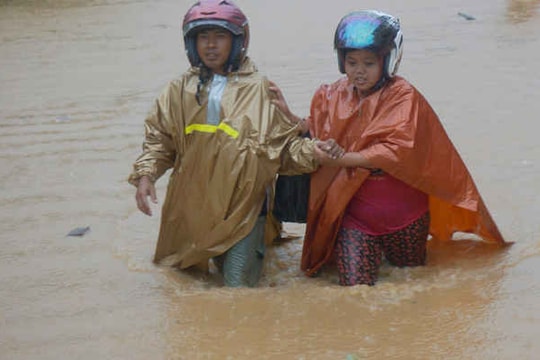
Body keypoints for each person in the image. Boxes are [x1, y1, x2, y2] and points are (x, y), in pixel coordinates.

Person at [270, 10, 508, 286]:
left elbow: (393, 152)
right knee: (355, 291)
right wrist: (292, 119)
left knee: (412, 283)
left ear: (388, 61)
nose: (359, 71)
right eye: (351, 62)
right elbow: (322, 127)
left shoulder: (404, 97)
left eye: (369, 63)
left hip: (407, 217)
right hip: (356, 218)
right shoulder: (333, 94)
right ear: (341, 62)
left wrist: (342, 158)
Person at [128, 0, 341, 288]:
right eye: (203, 37)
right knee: (184, 285)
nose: (210, 45)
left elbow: (283, 150)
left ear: (238, 41)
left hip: (245, 208)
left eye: (220, 37)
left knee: (238, 291)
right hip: (192, 209)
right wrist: (146, 175)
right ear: (191, 42)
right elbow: (160, 141)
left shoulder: (260, 89)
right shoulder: (177, 91)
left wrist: (312, 152)